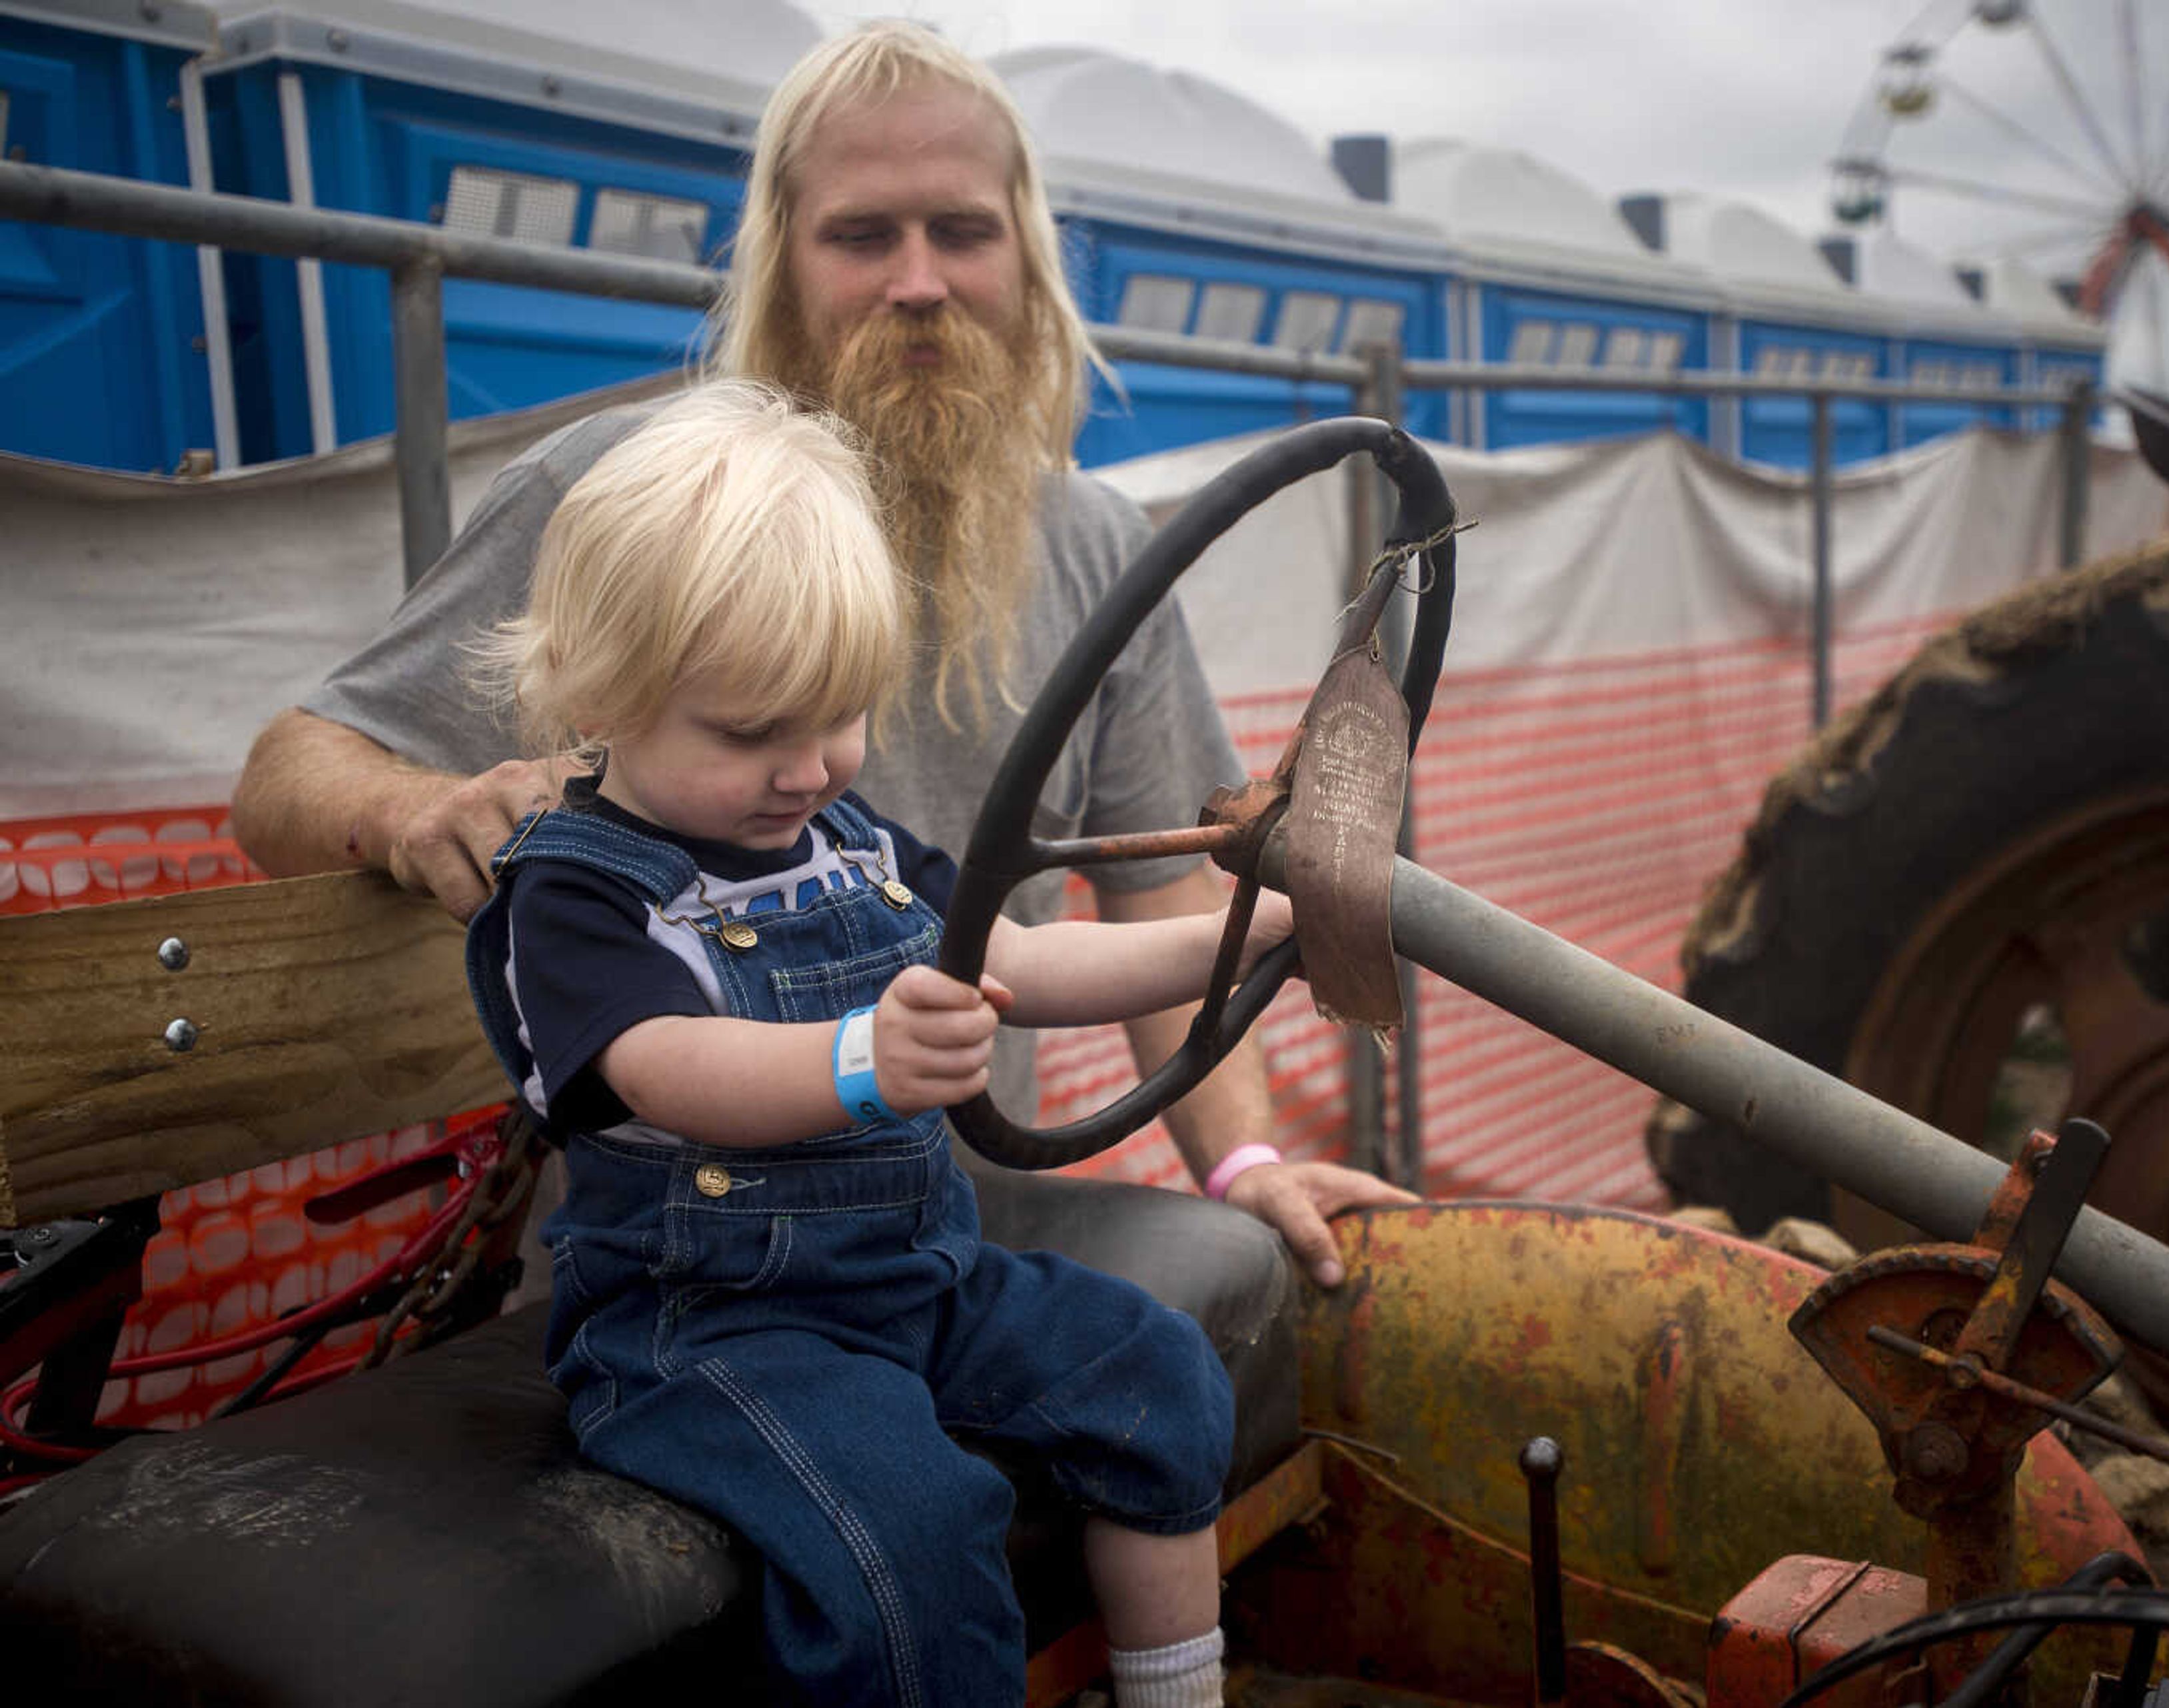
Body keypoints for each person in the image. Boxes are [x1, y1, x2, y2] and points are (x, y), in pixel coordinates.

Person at [229, 19, 1410, 1283]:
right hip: (690, 1265)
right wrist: (416, 811)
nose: (919, 281)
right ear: (780, 260)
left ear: (1030, 259)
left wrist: (1243, 1167)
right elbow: (285, 780)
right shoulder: (626, 500)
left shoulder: (1099, 545)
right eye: (861, 235)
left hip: (959, 1235)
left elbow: (1161, 899)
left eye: (961, 231)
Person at [466, 381, 1270, 1707]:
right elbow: (666, 1065)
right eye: (753, 732)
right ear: (598, 693)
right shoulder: (579, 893)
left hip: (914, 1280)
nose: (812, 769)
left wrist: (1244, 932)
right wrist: (861, 1061)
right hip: (709, 1329)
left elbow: (1012, 961)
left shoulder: (848, 842)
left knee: (1156, 1373)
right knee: (909, 1532)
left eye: (840, 716)